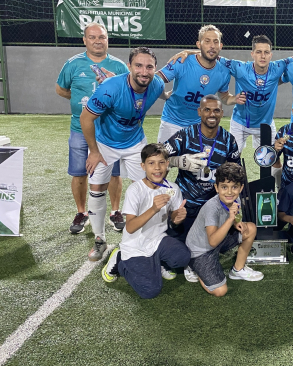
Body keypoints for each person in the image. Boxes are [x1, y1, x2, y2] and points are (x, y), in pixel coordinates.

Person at [80, 46, 165, 261]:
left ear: (155, 69)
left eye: (149, 67)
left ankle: (147, 238)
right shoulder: (110, 88)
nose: (143, 71)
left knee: (149, 187)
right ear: (129, 67)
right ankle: (100, 239)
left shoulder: (156, 85)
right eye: (138, 65)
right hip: (105, 143)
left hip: (135, 142)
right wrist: (93, 152)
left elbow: (165, 94)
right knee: (97, 187)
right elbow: (86, 118)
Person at [55, 22, 127, 234]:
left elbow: (126, 94)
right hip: (79, 128)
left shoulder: (119, 66)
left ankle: (115, 211)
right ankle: (81, 212)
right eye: (93, 37)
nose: (98, 41)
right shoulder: (73, 64)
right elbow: (61, 89)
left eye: (102, 37)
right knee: (79, 173)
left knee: (114, 173)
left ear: (107, 40)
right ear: (84, 40)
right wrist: (84, 104)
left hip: (109, 130)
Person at [101, 143, 191, 299]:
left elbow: (173, 221)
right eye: (151, 163)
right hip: (135, 245)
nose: (157, 168)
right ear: (143, 166)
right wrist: (153, 209)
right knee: (150, 291)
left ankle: (157, 261)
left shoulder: (173, 188)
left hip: (157, 240)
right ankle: (119, 261)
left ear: (167, 164)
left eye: (161, 162)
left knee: (182, 257)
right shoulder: (135, 190)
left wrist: (177, 219)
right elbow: (129, 227)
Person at [162, 95, 240, 245]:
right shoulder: (185, 135)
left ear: (222, 113)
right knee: (178, 244)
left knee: (228, 240)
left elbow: (237, 174)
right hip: (187, 204)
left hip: (214, 205)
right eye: (207, 110)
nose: (212, 114)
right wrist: (176, 161)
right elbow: (156, 156)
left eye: (216, 110)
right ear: (199, 112)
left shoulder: (229, 140)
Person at [156, 25, 246, 142]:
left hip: (200, 126)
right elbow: (156, 80)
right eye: (207, 41)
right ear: (199, 44)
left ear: (220, 46)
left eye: (215, 42)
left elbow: (224, 97)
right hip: (172, 122)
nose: (212, 46)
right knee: (166, 159)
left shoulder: (224, 72)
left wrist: (235, 99)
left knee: (199, 160)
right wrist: (164, 95)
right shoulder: (183, 61)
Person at [185, 162, 263, 296]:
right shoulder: (211, 208)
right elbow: (213, 242)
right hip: (200, 251)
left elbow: (230, 217)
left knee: (249, 228)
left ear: (241, 187)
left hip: (218, 239)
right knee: (220, 291)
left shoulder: (235, 198)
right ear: (216, 188)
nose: (229, 192)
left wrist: (236, 224)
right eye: (224, 187)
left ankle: (238, 270)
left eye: (234, 187)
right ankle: (194, 267)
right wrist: (230, 220)